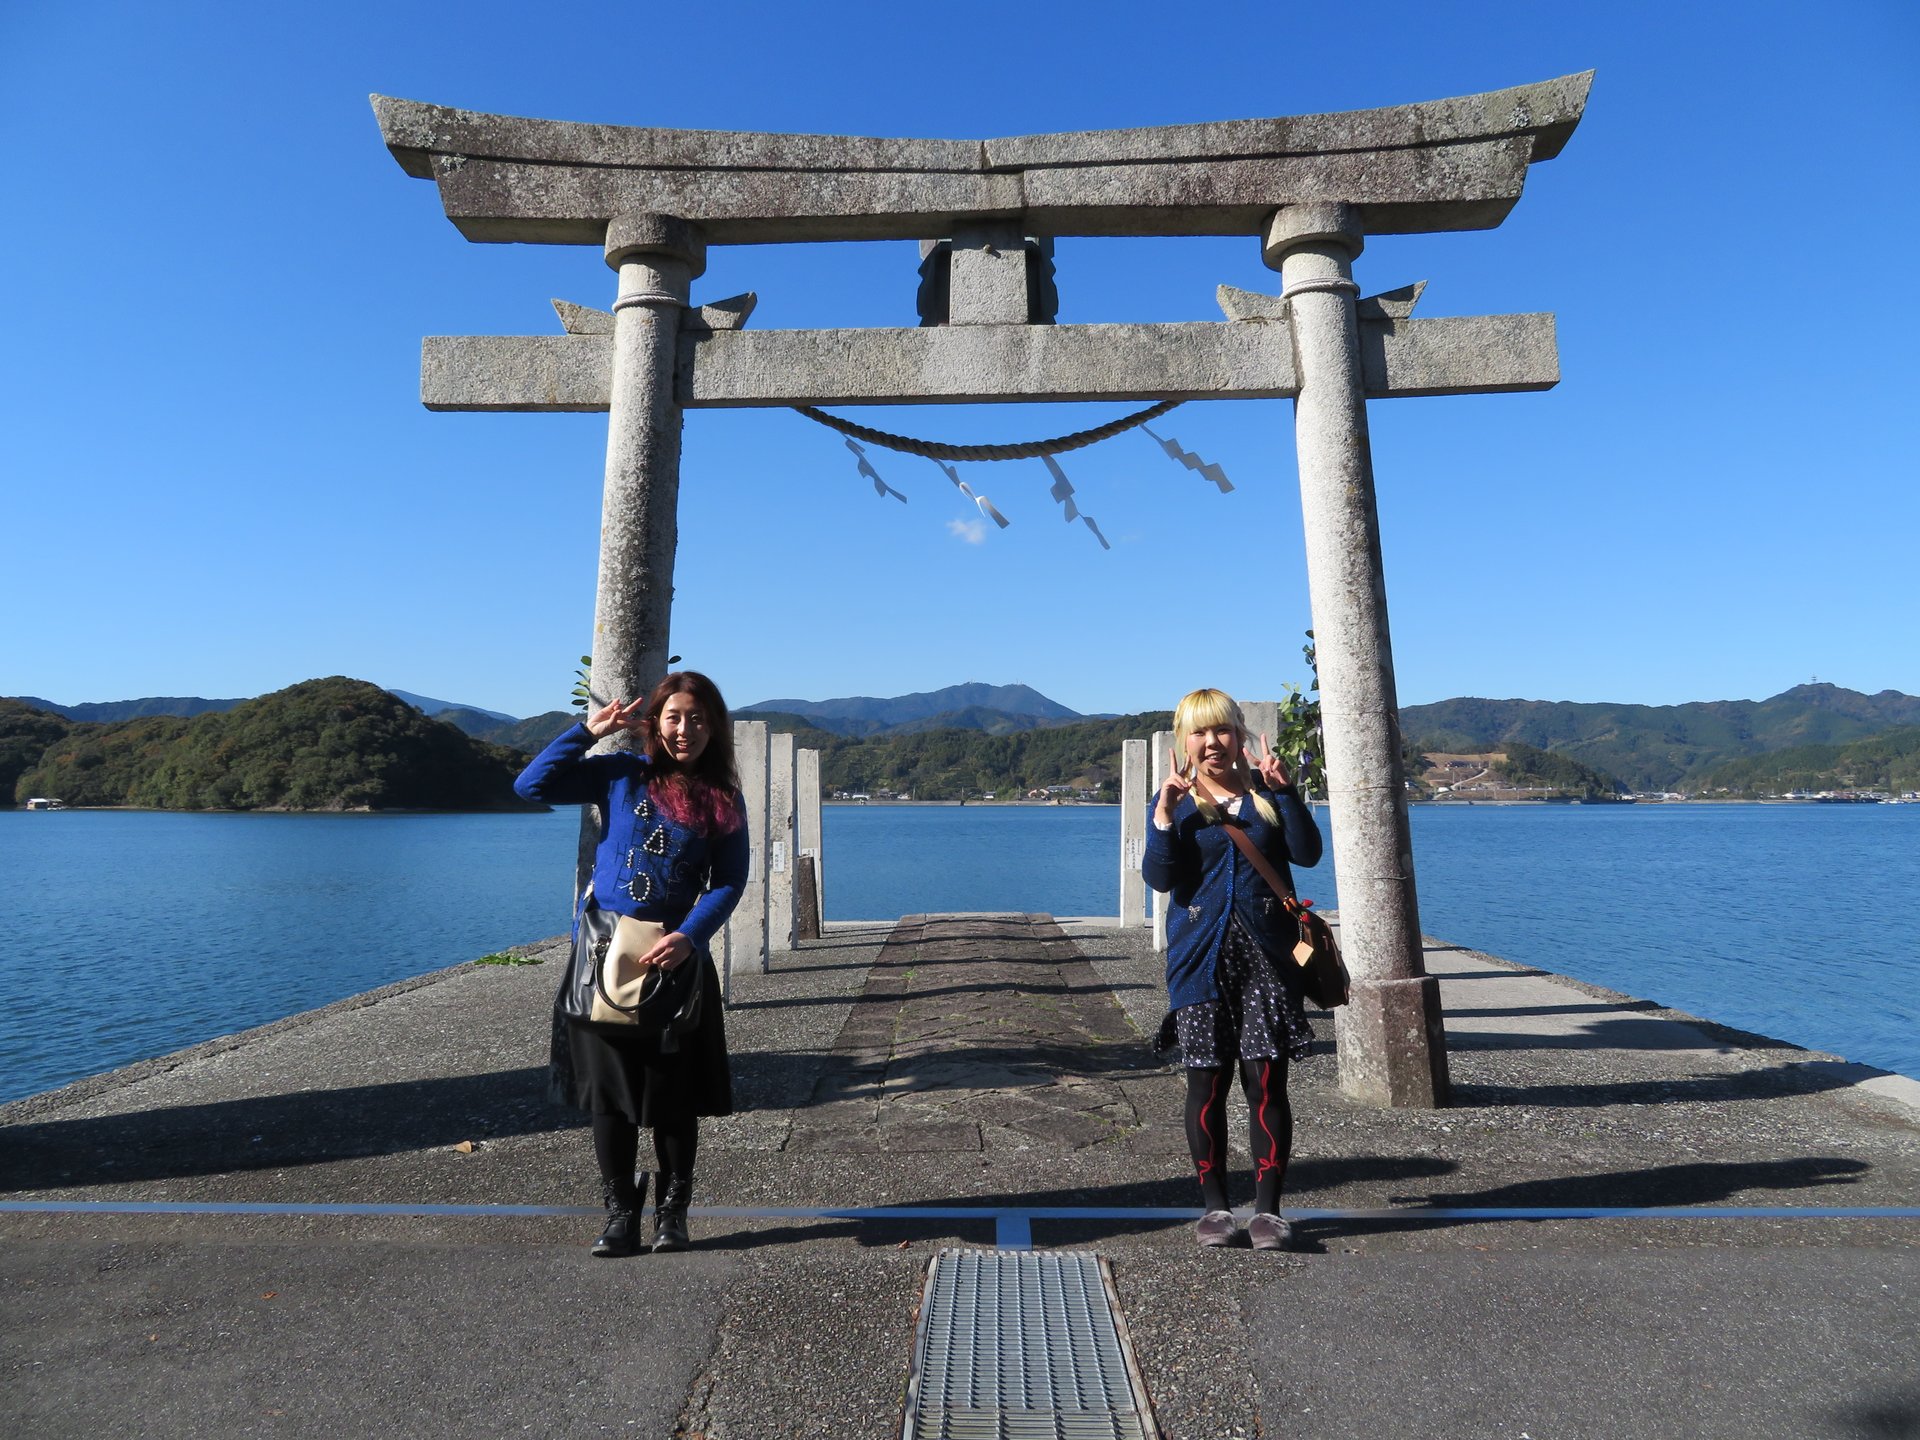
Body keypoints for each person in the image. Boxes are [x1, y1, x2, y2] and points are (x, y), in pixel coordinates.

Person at [514, 671, 749, 1257]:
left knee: (673, 1098)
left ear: (713, 725)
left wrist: (692, 936)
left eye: (696, 718)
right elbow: (531, 785)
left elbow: (730, 881)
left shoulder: (721, 797)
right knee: (610, 1097)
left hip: (673, 958)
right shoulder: (621, 776)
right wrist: (586, 731)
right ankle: (620, 1212)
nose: (684, 729)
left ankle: (674, 1212)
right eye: (673, 716)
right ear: (655, 722)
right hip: (604, 957)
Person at [1142, 688, 1324, 1250]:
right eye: (1198, 732)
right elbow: (1160, 878)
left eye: (1221, 729)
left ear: (1239, 735)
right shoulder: (1176, 801)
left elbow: (1307, 853)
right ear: (1184, 741)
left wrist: (1286, 791)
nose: (1211, 741)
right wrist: (1164, 815)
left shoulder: (1267, 795)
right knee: (1207, 1083)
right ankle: (1216, 1207)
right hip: (1200, 962)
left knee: (1266, 1084)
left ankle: (1269, 1211)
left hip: (1268, 963)